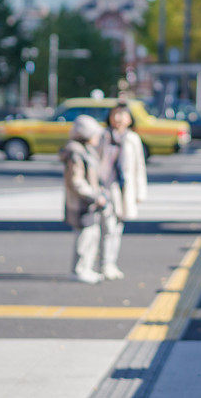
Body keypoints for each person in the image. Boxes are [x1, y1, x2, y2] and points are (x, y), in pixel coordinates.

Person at [98, 102, 147, 280]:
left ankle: (111, 263)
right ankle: (105, 264)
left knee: (117, 227)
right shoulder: (102, 136)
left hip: (123, 189)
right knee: (108, 227)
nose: (118, 118)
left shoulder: (132, 139)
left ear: (129, 119)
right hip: (105, 188)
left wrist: (140, 192)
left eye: (122, 114)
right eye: (115, 114)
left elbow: (139, 166)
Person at [60, 115, 109, 285]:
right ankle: (79, 270)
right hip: (82, 203)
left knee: (92, 235)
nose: (98, 137)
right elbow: (76, 181)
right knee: (84, 237)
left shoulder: (85, 149)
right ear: (86, 134)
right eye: (95, 134)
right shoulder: (76, 153)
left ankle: (86, 268)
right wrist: (94, 195)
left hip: (89, 202)